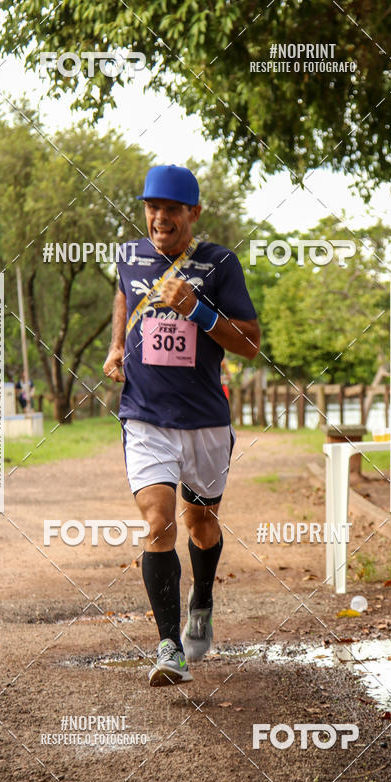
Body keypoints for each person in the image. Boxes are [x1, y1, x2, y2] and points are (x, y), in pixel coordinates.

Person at [103, 164, 260, 687]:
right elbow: (124, 293)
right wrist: (117, 344)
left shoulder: (219, 264)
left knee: (201, 524)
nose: (160, 217)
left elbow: (251, 342)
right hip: (146, 415)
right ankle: (170, 646)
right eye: (152, 207)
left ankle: (204, 597)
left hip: (204, 422)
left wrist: (198, 310)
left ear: (193, 213)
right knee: (158, 525)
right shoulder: (129, 256)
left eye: (172, 209)